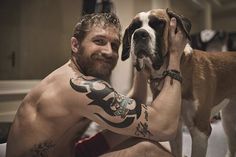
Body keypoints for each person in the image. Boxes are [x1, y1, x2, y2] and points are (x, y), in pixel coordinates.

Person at [6, 12, 187, 157]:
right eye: (99, 41)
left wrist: (140, 61)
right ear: (75, 45)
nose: (108, 52)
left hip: (72, 151)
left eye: (115, 45)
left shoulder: (76, 79)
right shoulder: (77, 86)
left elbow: (134, 108)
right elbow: (165, 127)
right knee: (147, 149)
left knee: (132, 132)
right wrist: (174, 55)